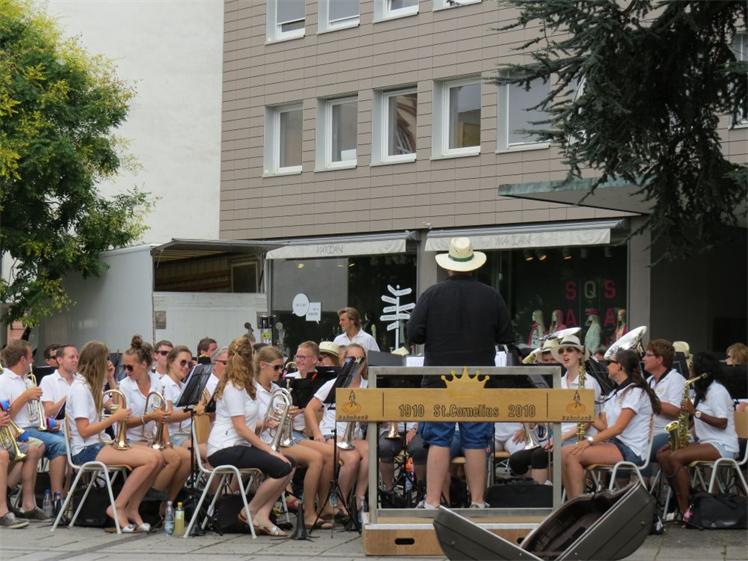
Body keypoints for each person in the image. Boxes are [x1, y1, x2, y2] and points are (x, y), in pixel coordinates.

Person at [407, 237, 513, 509]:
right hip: (478, 379)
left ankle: (432, 501)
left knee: (438, 439)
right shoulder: (491, 295)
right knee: (476, 440)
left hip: (439, 379)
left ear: (448, 266)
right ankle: (477, 501)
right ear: (474, 265)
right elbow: (506, 335)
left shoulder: (432, 294)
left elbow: (414, 333)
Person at [68, 341, 162, 532]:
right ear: (97, 362)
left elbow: (114, 405)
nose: (109, 363)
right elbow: (84, 430)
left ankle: (132, 508)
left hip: (98, 444)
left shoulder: (91, 386)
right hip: (86, 450)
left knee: (158, 457)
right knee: (150, 460)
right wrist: (114, 419)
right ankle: (118, 506)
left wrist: (111, 379)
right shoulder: (80, 389)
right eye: (106, 360)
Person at [206, 336, 293, 536]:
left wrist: (266, 423)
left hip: (237, 445)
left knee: (289, 464)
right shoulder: (234, 387)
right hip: (224, 448)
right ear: (248, 360)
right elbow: (241, 428)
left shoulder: (244, 385)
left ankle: (262, 514)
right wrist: (270, 450)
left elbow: (245, 424)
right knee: (282, 467)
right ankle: (249, 511)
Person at [562, 349, 660, 499]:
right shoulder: (615, 393)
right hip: (615, 444)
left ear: (620, 366)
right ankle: (572, 503)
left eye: (609, 363)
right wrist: (585, 410)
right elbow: (604, 427)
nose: (606, 366)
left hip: (631, 450)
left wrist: (589, 441)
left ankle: (578, 504)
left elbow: (619, 428)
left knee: (572, 455)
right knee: (562, 453)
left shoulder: (635, 392)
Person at [656, 352, 739, 525]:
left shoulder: (717, 391)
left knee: (675, 457)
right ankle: (682, 500)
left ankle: (686, 509)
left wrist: (695, 412)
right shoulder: (702, 391)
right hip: (705, 443)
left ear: (702, 371)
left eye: (692, 366)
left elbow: (722, 423)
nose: (690, 370)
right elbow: (693, 423)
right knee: (663, 455)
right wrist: (675, 441)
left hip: (723, 445)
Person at [254, 346, 332, 529]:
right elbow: (248, 422)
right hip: (266, 440)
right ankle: (309, 512)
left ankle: (323, 505)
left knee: (330, 453)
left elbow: (281, 416)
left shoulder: (276, 388)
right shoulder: (252, 390)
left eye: (281, 367)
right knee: (316, 458)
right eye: (276, 367)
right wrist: (270, 421)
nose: (281, 372)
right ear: (263, 365)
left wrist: (288, 414)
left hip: (282, 436)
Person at [118, 336, 190, 507]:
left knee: (187, 457)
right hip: (131, 440)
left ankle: (167, 506)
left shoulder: (157, 382)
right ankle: (147, 502)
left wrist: (166, 442)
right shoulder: (124, 386)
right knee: (173, 459)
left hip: (151, 439)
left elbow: (161, 418)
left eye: (129, 367)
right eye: (124, 367)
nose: (126, 371)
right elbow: (123, 423)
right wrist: (149, 417)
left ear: (144, 365)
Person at [0, 339, 65, 518]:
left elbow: (36, 413)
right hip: (15, 430)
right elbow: (5, 415)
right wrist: (25, 396)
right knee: (55, 445)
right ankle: (54, 502)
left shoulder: (28, 381)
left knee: (62, 440)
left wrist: (48, 423)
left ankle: (29, 503)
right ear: (22, 359)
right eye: (30, 357)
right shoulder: (3, 381)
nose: (32, 361)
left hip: (32, 428)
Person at [305, 343, 370, 515]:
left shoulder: (368, 386)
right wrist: (317, 433)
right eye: (351, 359)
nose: (356, 363)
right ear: (343, 361)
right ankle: (339, 502)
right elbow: (310, 409)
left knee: (372, 452)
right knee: (352, 458)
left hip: (353, 436)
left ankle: (359, 499)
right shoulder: (334, 384)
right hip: (331, 433)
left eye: (360, 359)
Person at [550, 335, 602, 445]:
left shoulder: (589, 382)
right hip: (559, 437)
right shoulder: (558, 382)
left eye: (569, 350)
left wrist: (561, 438)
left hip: (582, 440)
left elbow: (587, 423)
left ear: (579, 354)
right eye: (561, 351)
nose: (564, 353)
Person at [644, 339, 687, 462]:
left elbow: (676, 411)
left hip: (668, 433)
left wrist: (650, 400)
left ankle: (641, 475)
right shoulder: (649, 381)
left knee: (640, 451)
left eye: (648, 355)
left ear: (660, 359)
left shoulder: (676, 380)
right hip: (648, 433)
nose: (643, 358)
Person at [160, 346, 193, 447]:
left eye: (189, 364)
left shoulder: (184, 386)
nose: (186, 367)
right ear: (170, 363)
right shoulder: (164, 384)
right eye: (183, 362)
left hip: (188, 434)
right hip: (174, 437)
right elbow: (167, 416)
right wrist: (193, 411)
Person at [40, 344, 79, 421]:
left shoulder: (81, 380)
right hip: (59, 426)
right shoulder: (48, 380)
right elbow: (48, 412)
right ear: (60, 360)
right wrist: (69, 396)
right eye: (72, 357)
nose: (76, 360)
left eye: (77, 357)